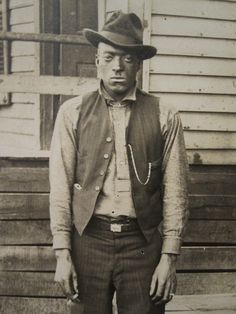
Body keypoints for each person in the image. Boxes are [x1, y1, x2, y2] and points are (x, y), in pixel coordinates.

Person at [49, 11, 189, 314]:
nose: (117, 67)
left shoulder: (165, 115)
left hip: (143, 245)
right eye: (109, 57)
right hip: (88, 242)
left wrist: (169, 258)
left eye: (126, 59)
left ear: (138, 65)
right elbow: (60, 188)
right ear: (97, 60)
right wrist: (63, 252)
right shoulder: (72, 113)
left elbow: (176, 191)